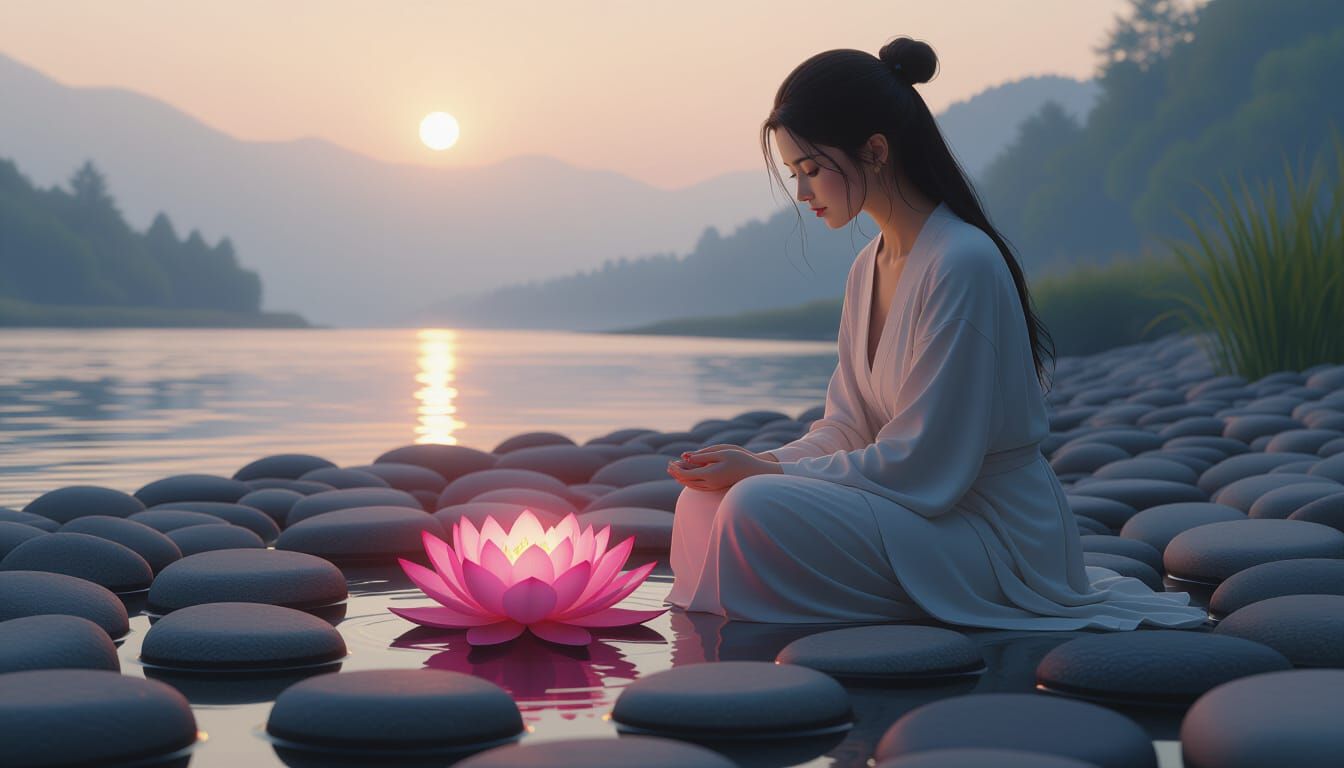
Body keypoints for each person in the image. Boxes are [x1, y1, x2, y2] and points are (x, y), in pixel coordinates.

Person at [663, 37, 1207, 630]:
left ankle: (769, 643)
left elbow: (925, 464)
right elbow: (847, 428)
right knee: (704, 502)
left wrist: (768, 476)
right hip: (916, 509)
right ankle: (720, 652)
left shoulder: (962, 262)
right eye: (795, 173)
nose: (802, 193)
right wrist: (758, 459)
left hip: (986, 530)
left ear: (874, 151)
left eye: (812, 169)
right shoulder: (867, 267)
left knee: (753, 506)